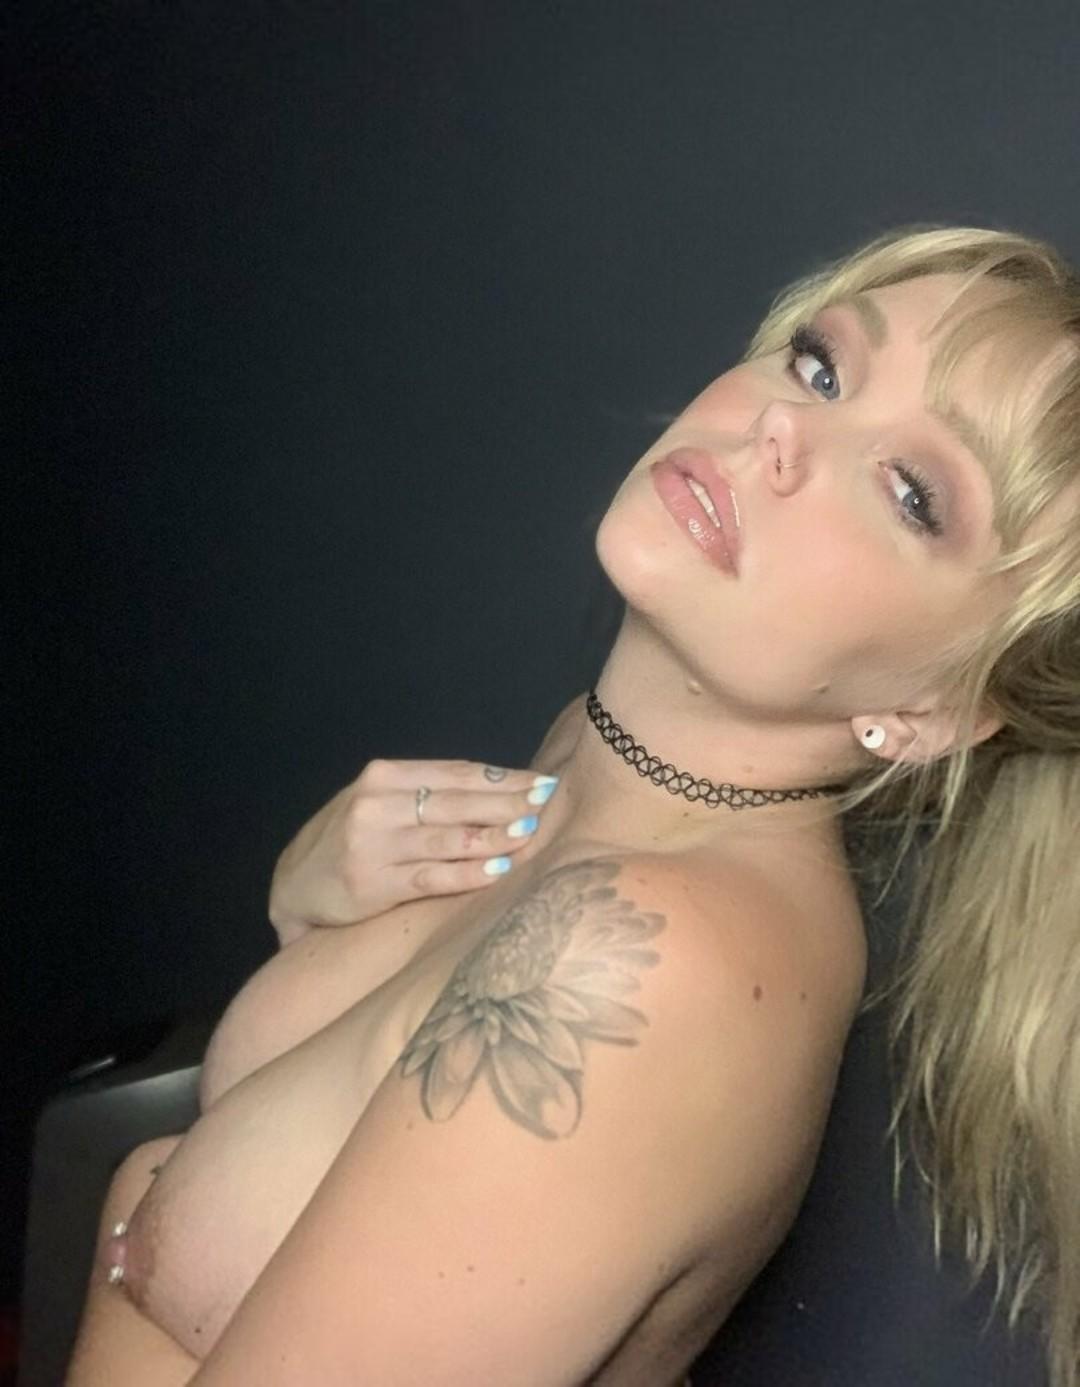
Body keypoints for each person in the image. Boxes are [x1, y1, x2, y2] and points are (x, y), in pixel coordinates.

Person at [66, 223, 1080, 1387]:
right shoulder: (604, 764)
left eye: (911, 491)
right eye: (820, 365)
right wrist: (309, 913)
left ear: (941, 707)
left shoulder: (651, 965)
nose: (783, 431)